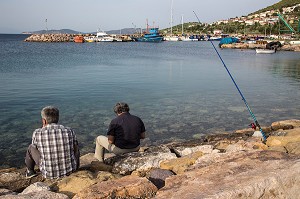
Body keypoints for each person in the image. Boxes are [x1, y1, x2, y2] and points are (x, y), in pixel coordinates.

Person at [25, 106, 80, 179]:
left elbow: (36, 149)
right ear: (57, 118)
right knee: (75, 145)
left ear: (44, 121)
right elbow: (75, 148)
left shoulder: (37, 132)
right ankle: (75, 165)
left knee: (31, 148)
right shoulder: (69, 130)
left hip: (48, 174)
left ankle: (30, 172)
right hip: (71, 170)